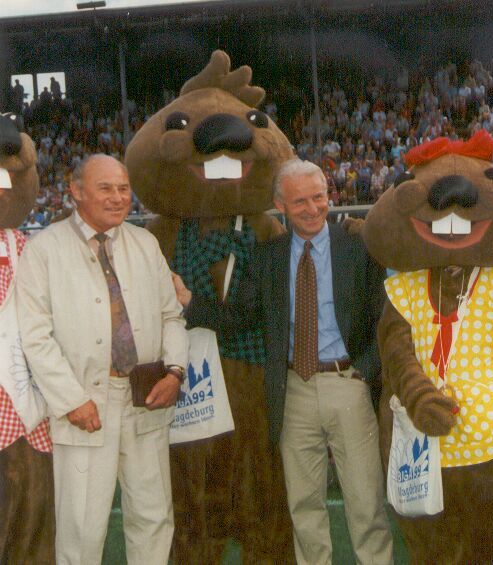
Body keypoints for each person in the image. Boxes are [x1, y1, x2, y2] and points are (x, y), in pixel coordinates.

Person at [174, 160, 393, 564]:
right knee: (304, 506)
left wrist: (365, 371)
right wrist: (191, 303)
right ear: (280, 204)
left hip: (347, 383)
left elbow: (385, 318)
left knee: (366, 503)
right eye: (300, 201)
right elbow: (241, 315)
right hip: (293, 390)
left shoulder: (358, 247)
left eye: (319, 197)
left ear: (330, 196)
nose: (312, 208)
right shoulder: (268, 256)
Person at [15, 154, 188, 564]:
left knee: (153, 516)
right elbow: (34, 336)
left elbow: (171, 316)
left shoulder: (145, 243)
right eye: (105, 188)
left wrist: (176, 372)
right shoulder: (45, 250)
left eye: (124, 188)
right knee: (81, 527)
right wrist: (71, 400)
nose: (117, 197)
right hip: (84, 405)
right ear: (76, 191)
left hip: (147, 399)